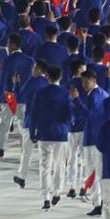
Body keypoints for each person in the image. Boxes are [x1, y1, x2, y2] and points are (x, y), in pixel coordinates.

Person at [28, 65, 74, 210]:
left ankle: (46, 197)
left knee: (45, 166)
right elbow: (70, 115)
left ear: (47, 76)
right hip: (60, 134)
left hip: (44, 133)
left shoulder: (40, 93)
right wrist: (69, 126)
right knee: (59, 165)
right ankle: (57, 191)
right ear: (60, 77)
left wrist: (32, 133)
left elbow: (33, 114)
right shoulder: (66, 94)